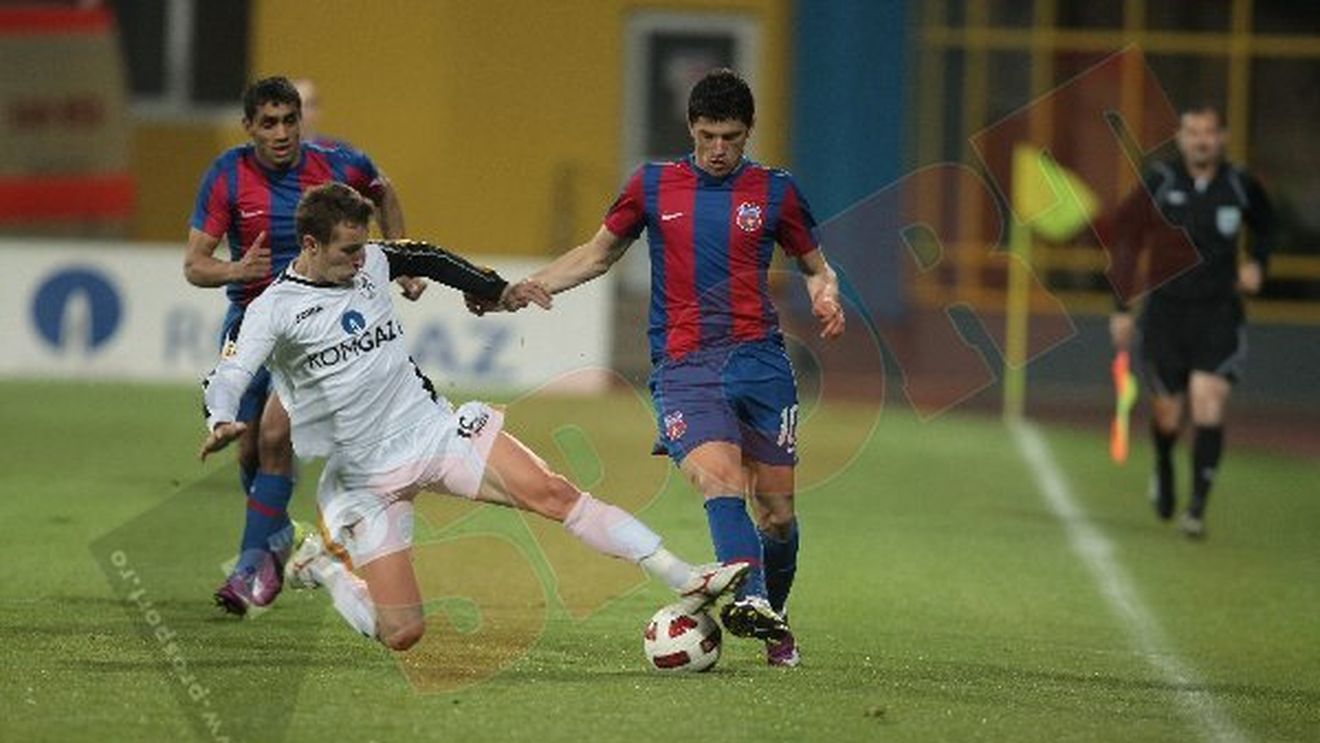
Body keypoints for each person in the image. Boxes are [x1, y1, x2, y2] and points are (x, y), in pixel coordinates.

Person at [198, 182, 749, 650]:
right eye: (347, 251)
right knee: (402, 632)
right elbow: (229, 372)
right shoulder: (273, 309)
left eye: (364, 247)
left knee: (554, 493)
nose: (362, 260)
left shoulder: (372, 262)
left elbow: (429, 257)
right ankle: (320, 565)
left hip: (434, 433)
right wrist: (220, 417)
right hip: (363, 478)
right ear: (312, 245)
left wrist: (498, 290)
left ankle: (685, 575)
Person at [484, 69, 845, 666]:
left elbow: (815, 265)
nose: (719, 149)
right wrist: (531, 285)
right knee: (718, 480)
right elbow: (599, 252)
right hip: (686, 366)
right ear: (691, 129)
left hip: (760, 362)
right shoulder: (652, 185)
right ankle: (752, 600)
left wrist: (824, 292)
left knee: (778, 515)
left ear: (749, 131)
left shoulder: (776, 191)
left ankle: (771, 617)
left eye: (730, 136)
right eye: (708, 136)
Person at [184, 75, 426, 615]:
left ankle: (253, 571)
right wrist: (235, 267)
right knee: (250, 446)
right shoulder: (226, 176)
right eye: (268, 123)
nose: (281, 133)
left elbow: (383, 191)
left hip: (317, 327)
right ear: (248, 128)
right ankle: (278, 550)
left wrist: (400, 260)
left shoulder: (339, 164)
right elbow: (194, 265)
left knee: (273, 435)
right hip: (252, 319)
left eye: (289, 120)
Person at [1108, 104, 1275, 539]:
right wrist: (1122, 305)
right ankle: (1164, 463)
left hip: (1218, 314)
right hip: (1166, 315)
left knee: (1209, 401)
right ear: (1180, 138)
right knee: (1168, 415)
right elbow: (1125, 237)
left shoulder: (1240, 184)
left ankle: (1197, 507)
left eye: (1209, 132)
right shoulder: (1161, 182)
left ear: (1222, 137)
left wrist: (1258, 262)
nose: (1202, 140)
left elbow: (1268, 225)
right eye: (1193, 132)